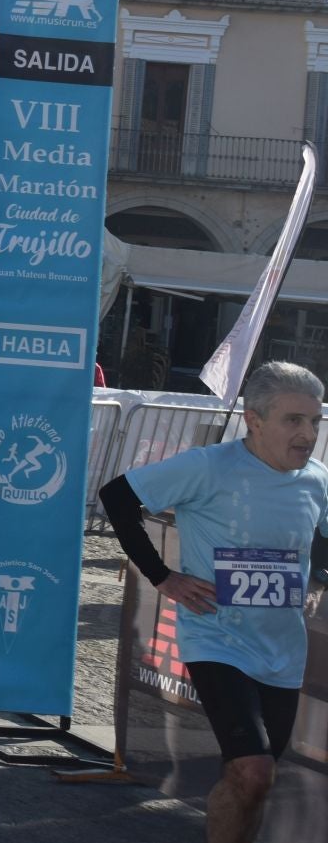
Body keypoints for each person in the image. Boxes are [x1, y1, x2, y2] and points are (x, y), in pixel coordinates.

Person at [99, 361, 328, 843]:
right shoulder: (208, 466)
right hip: (217, 638)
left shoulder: (317, 480)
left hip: (283, 650)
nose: (308, 434)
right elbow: (117, 497)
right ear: (255, 419)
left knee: (251, 783)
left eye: (315, 421)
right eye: (294, 420)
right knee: (253, 771)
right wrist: (164, 577)